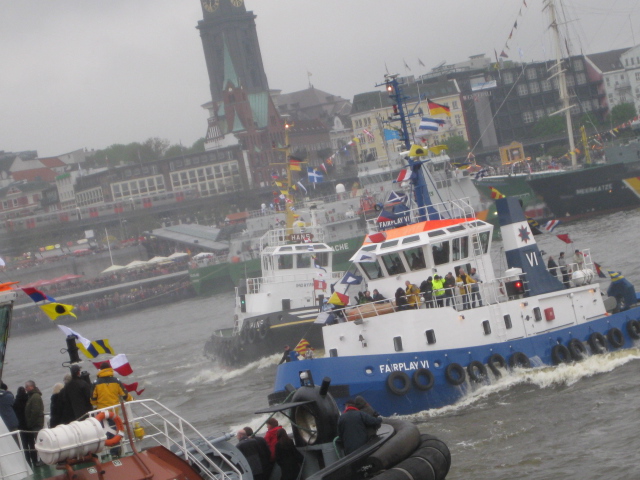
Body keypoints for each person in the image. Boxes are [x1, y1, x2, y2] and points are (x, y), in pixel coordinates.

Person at [91, 362, 133, 456]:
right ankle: (115, 452)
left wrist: (97, 404)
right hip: (114, 411)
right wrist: (131, 399)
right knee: (115, 430)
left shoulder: (95, 383)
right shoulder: (116, 381)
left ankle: (103, 454)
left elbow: (93, 399)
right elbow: (124, 394)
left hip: (101, 412)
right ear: (110, 369)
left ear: (100, 370)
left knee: (103, 432)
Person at [24, 380, 44, 466]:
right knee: (38, 441)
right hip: (35, 423)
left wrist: (30, 422)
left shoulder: (35, 396)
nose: (26, 389)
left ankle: (43, 459)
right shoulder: (32, 396)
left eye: (27, 387)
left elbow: (35, 411)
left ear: (31, 387)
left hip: (36, 423)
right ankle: (43, 459)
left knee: (39, 442)